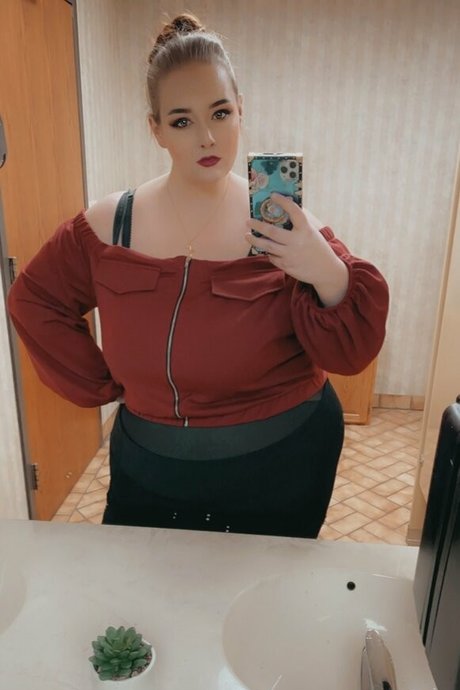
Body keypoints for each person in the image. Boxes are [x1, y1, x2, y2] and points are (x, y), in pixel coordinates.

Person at [7, 13, 389, 539]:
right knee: (144, 582)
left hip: (284, 461)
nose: (207, 137)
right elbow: (34, 301)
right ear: (156, 129)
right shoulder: (109, 225)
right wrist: (102, 382)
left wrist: (324, 268)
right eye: (182, 121)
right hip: (150, 465)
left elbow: (352, 350)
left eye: (221, 113)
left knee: (263, 588)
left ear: (240, 111)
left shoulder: (284, 224)